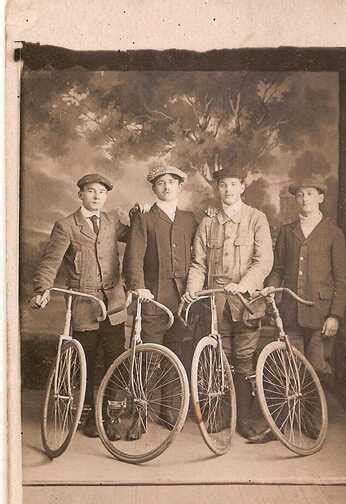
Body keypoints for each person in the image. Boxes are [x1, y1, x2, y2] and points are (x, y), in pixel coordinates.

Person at [31, 173, 132, 440]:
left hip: (114, 306)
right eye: (91, 191)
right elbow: (50, 262)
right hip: (84, 306)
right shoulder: (66, 226)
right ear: (80, 195)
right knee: (85, 361)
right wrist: (42, 290)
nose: (97, 196)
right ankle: (86, 414)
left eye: (102, 192)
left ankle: (108, 416)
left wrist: (140, 213)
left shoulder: (112, 221)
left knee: (114, 360)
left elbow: (139, 237)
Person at [182, 166, 274, 441]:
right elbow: (198, 263)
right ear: (217, 189)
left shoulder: (256, 219)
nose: (228, 190)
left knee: (244, 361)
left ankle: (243, 419)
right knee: (215, 360)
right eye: (223, 185)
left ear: (242, 187)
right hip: (214, 302)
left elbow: (263, 260)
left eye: (234, 184)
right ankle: (220, 414)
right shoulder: (208, 222)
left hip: (246, 302)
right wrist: (192, 291)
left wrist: (244, 285)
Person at [123, 165, 197, 430]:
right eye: (161, 183)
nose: (166, 187)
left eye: (171, 182)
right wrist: (138, 287)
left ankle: (169, 412)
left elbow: (200, 254)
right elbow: (133, 257)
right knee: (147, 358)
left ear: (179, 187)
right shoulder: (144, 217)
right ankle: (138, 417)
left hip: (182, 302)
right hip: (153, 299)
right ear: (154, 188)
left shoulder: (190, 218)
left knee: (175, 356)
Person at [262, 178, 346, 391]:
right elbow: (278, 269)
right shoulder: (287, 231)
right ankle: (290, 415)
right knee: (290, 365)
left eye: (310, 193)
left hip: (320, 313)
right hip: (291, 311)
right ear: (296, 200)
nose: (305, 198)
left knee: (318, 366)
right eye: (300, 194)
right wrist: (271, 287)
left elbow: (341, 279)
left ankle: (314, 419)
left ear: (320, 198)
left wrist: (335, 315)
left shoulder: (333, 232)